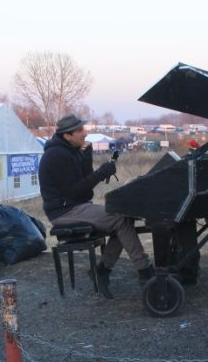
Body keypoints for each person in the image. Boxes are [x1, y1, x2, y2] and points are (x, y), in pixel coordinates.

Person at [39, 114, 154, 299]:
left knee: (123, 217)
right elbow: (75, 192)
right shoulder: (56, 155)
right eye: (79, 130)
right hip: (64, 212)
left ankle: (103, 271)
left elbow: (85, 192)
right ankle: (144, 271)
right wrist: (101, 173)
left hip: (75, 205)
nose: (85, 133)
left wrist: (86, 160)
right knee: (121, 218)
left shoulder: (70, 151)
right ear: (67, 135)